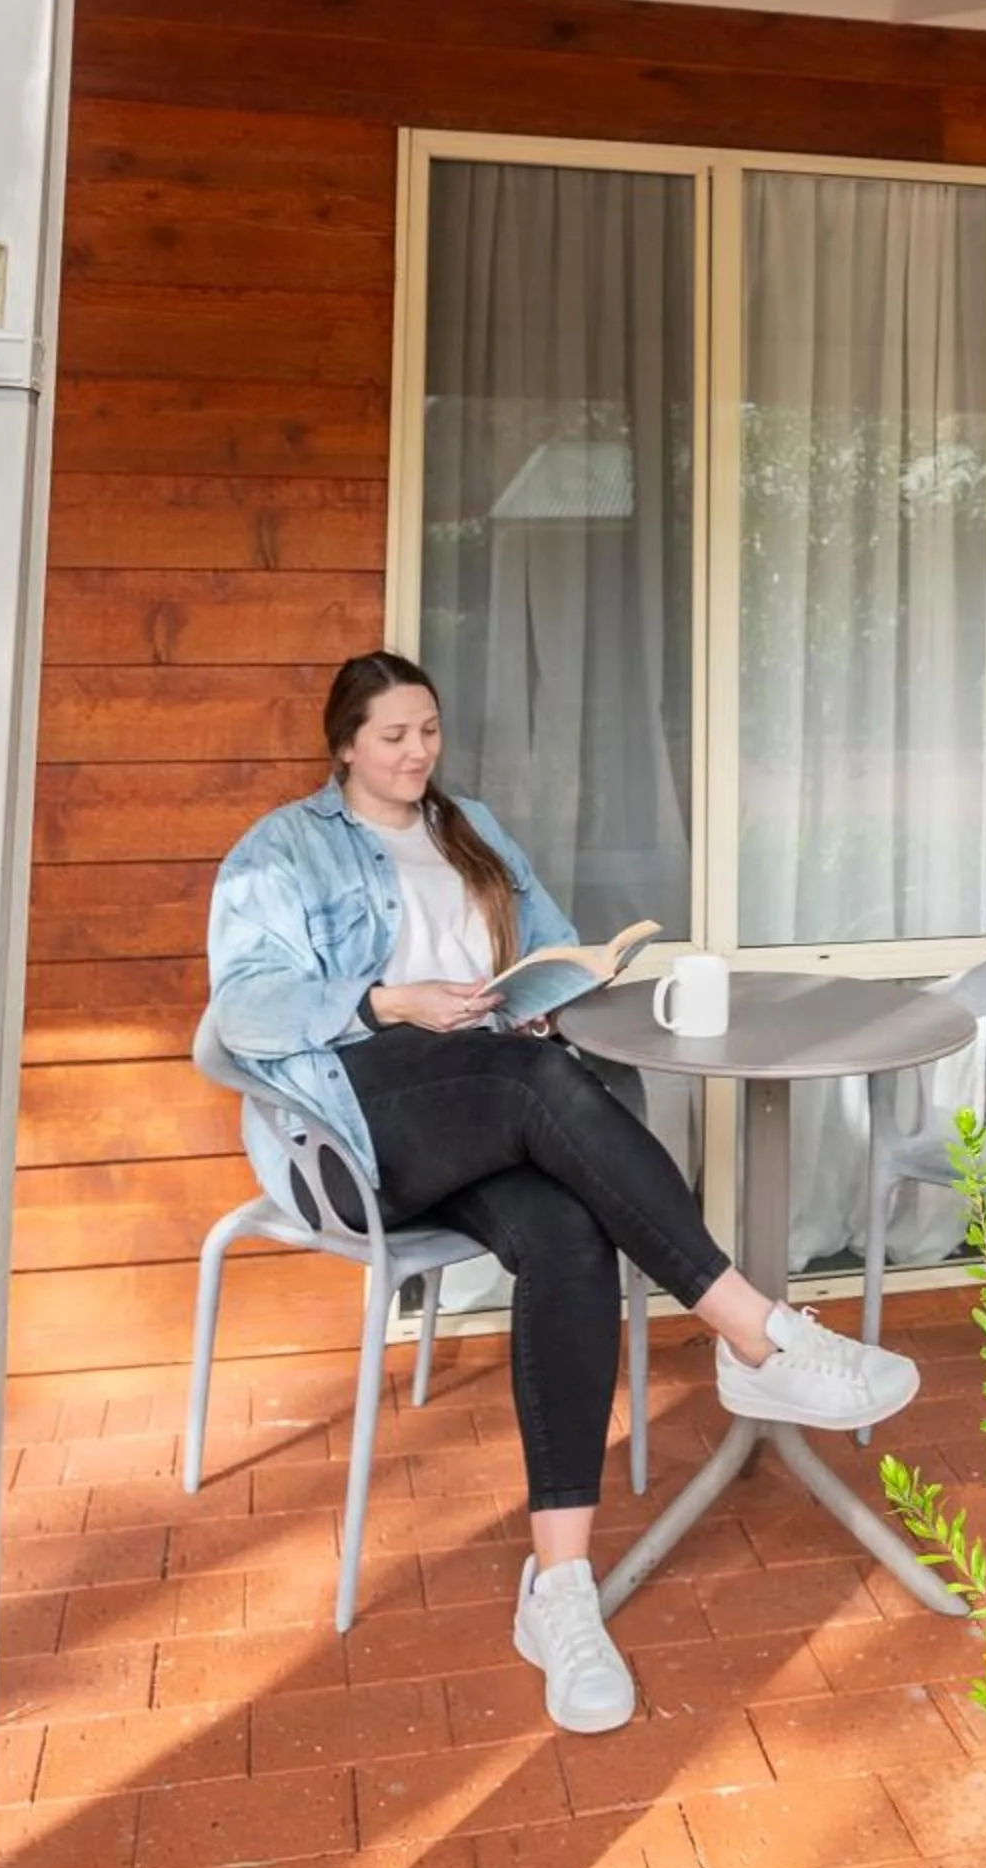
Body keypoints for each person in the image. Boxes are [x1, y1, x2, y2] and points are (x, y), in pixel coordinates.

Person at [207, 648, 920, 1736]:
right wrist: (388, 1001)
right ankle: (757, 1335)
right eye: (393, 736)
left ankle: (562, 1591)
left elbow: (541, 944)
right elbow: (249, 1009)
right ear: (344, 743)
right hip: (365, 1132)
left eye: (430, 731)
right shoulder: (284, 850)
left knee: (570, 1233)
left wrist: (556, 986)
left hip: (488, 1107)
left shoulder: (471, 827)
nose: (416, 754)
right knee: (533, 1078)